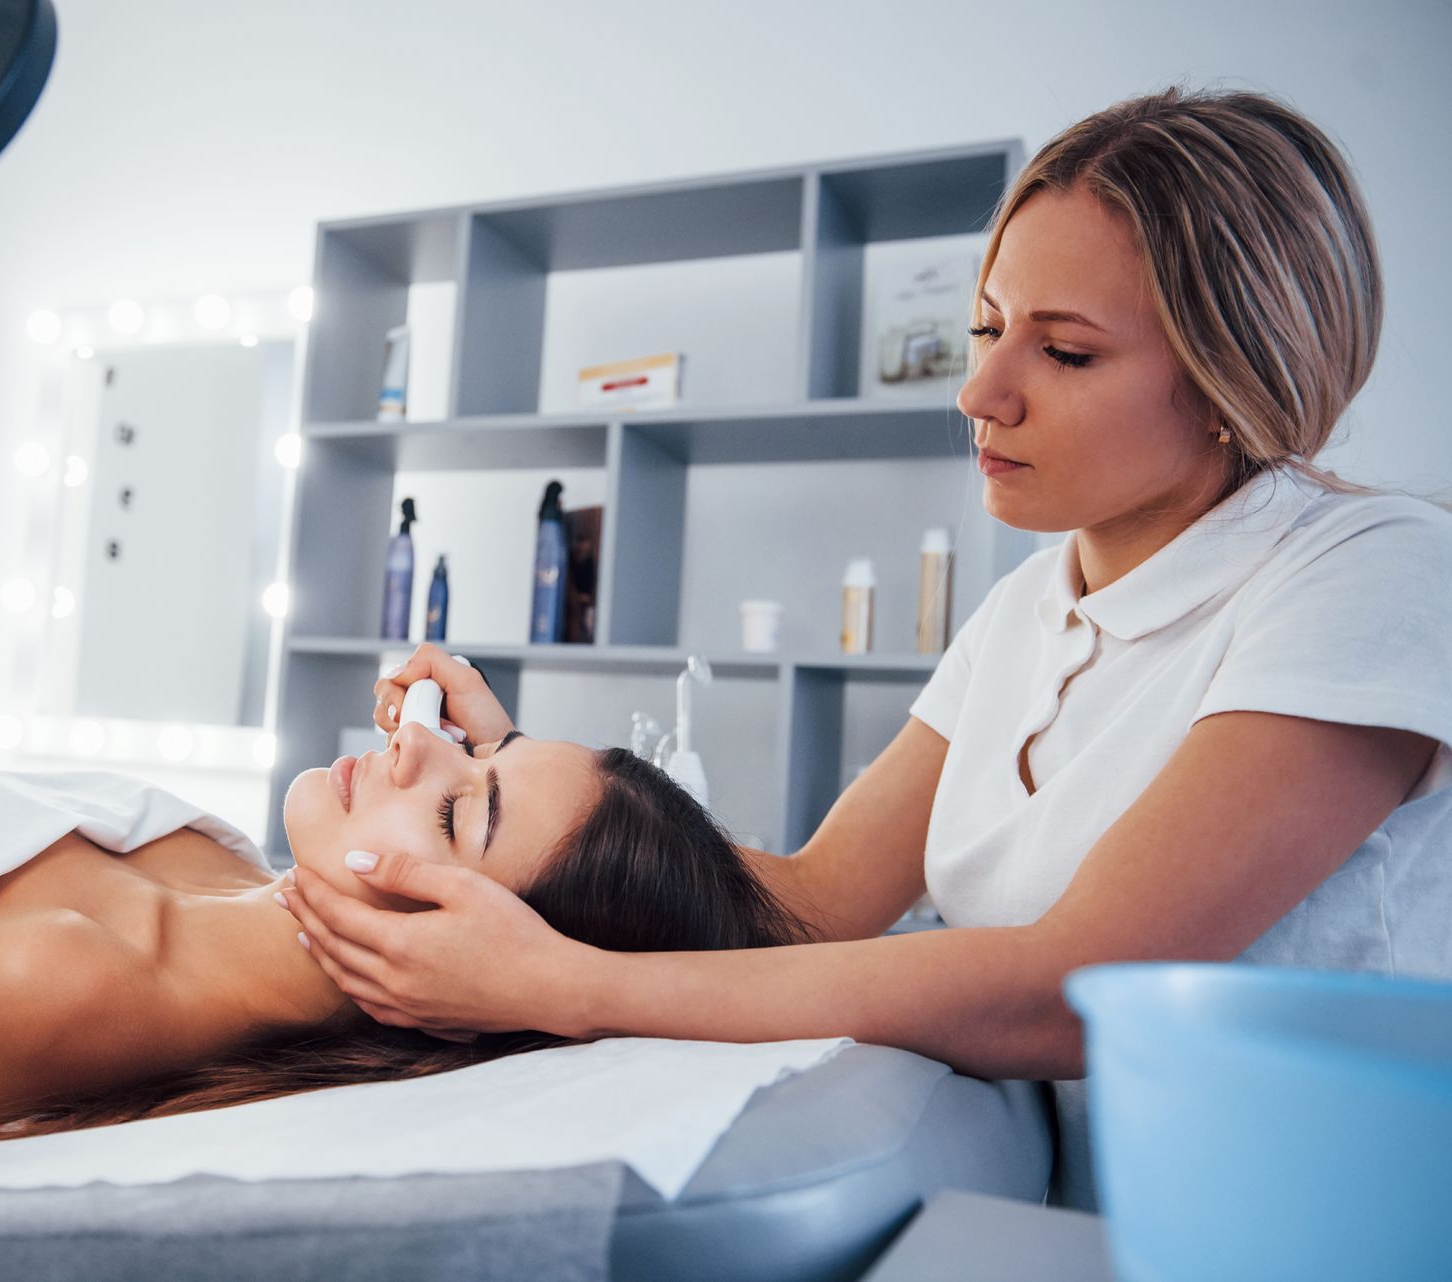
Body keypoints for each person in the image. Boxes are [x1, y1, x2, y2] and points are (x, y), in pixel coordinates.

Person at [280, 86, 1452, 1211]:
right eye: (987, 328)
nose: (981, 391)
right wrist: (515, 777)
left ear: (1232, 379)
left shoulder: (1373, 572)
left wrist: (572, 986)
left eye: (1065, 353)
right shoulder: (1027, 612)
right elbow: (813, 900)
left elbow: (1081, 989)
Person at [0, 721, 807, 1151]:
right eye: (481, 743)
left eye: (460, 807)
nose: (418, 741)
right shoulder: (242, 876)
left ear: (468, 963)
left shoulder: (62, 986)